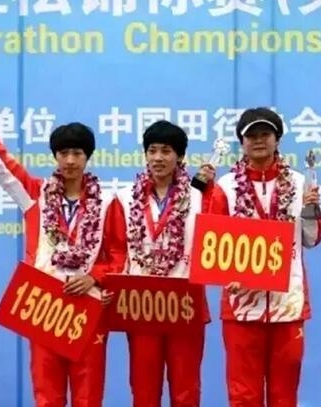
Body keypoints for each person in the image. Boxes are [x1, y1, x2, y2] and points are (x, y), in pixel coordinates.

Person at [0, 82, 124, 407]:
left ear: (88, 157)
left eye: (77, 153)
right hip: (44, 307)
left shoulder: (108, 202)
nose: (70, 160)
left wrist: (94, 277)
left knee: (89, 398)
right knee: (47, 397)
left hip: (88, 310)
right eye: (63, 153)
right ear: (55, 156)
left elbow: (120, 255)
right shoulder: (35, 194)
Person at [210, 107, 321, 407]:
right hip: (242, 308)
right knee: (243, 395)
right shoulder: (225, 187)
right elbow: (214, 248)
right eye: (251, 136)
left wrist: (311, 211)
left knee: (284, 395)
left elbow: (311, 239)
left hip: (288, 305)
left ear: (277, 140)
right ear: (242, 142)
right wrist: (230, 275)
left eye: (265, 134)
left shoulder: (299, 183)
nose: (259, 141)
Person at [104, 120, 216, 407]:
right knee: (144, 390)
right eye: (152, 150)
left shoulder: (199, 197)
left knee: (186, 390)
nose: (158, 158)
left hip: (185, 304)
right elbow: (117, 251)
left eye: (166, 151)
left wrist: (211, 190)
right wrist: (110, 285)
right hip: (141, 305)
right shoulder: (125, 198)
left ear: (180, 156)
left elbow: (215, 245)